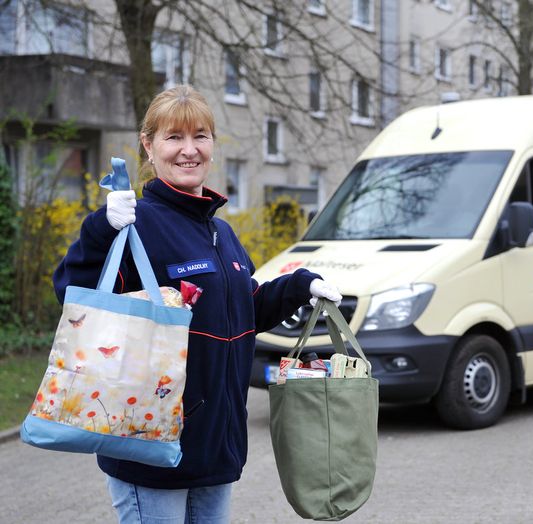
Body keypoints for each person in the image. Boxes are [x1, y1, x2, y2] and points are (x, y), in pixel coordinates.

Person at [53, 84, 341, 523]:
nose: (189, 150)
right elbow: (75, 293)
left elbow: (247, 308)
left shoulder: (221, 234)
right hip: (150, 445)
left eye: (200, 136)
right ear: (148, 146)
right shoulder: (134, 224)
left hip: (215, 447)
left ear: (212, 145)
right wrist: (99, 231)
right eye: (174, 138)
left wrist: (301, 286)